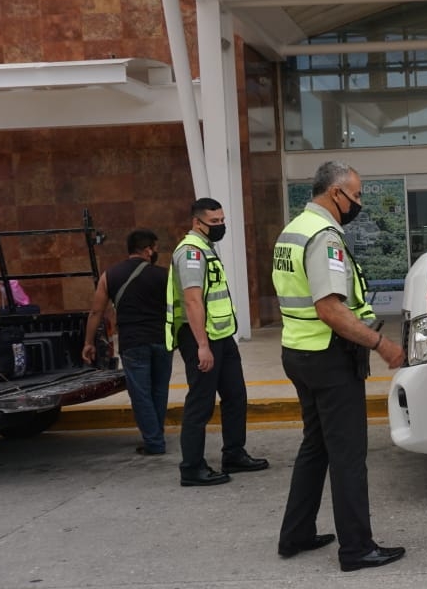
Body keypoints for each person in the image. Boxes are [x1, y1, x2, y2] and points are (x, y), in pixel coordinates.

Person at [272, 161, 407, 572]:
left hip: (298, 352)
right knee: (347, 455)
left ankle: (295, 533)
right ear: (336, 193)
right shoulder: (324, 237)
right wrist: (381, 343)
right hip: (328, 357)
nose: (360, 203)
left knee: (315, 446)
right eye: (358, 195)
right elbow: (330, 309)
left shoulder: (292, 230)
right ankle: (357, 549)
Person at [166, 198, 268, 487]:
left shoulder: (207, 249)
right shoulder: (190, 253)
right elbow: (192, 300)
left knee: (236, 396)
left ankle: (234, 453)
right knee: (201, 402)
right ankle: (192, 467)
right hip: (201, 337)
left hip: (222, 336)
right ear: (197, 222)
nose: (220, 226)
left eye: (222, 221)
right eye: (214, 222)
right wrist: (202, 345)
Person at [82, 229, 172, 456]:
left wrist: (88, 342)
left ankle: (154, 441)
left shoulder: (110, 275)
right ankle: (156, 435)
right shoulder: (164, 275)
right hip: (162, 340)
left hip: (133, 342)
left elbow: (96, 312)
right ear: (147, 249)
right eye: (155, 248)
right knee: (159, 390)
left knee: (141, 393)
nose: (156, 253)